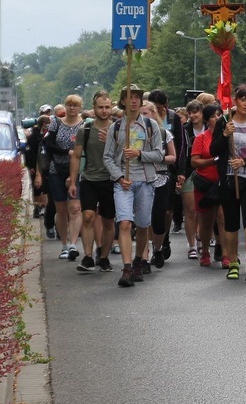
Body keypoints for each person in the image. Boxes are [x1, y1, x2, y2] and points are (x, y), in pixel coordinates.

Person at [103, 84, 164, 288]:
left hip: (146, 182)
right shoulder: (116, 127)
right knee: (125, 223)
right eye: (129, 97)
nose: (134, 100)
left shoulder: (150, 125)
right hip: (124, 185)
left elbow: (159, 154)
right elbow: (108, 157)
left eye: (137, 97)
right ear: (122, 101)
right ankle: (127, 267)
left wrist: (140, 154)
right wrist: (119, 177)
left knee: (143, 224)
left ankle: (139, 260)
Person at [210, 84, 246, 282]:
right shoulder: (223, 122)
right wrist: (225, 135)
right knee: (231, 224)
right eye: (242, 99)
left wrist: (244, 161)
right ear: (235, 100)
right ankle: (233, 262)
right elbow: (213, 151)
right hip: (228, 180)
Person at [67, 91, 116, 273]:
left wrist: (113, 141)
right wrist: (73, 182)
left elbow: (124, 156)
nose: (104, 111)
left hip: (110, 180)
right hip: (89, 179)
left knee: (109, 221)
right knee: (87, 215)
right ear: (94, 109)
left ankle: (103, 256)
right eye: (100, 107)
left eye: (107, 107)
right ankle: (87, 257)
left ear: (111, 108)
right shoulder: (85, 130)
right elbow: (77, 156)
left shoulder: (117, 129)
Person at [44, 94, 85, 261]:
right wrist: (66, 152)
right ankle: (64, 244)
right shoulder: (56, 124)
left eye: (75, 105)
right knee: (61, 209)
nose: (72, 108)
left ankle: (74, 244)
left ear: (80, 108)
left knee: (75, 207)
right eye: (69, 105)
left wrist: (73, 175)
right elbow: (49, 145)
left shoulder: (84, 126)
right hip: (57, 169)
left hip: (77, 170)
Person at [139, 101, 176, 273]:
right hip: (140, 179)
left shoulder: (163, 133)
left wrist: (156, 157)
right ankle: (144, 256)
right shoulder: (133, 134)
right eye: (141, 114)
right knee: (143, 219)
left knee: (158, 221)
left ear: (154, 114)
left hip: (160, 178)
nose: (143, 117)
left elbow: (172, 157)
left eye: (146, 113)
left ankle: (158, 248)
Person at [191, 103, 229, 268]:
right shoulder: (201, 138)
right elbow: (194, 161)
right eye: (213, 116)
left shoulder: (227, 136)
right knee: (206, 221)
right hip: (205, 184)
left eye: (219, 115)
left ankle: (226, 254)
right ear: (207, 120)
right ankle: (205, 251)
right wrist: (212, 161)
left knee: (223, 218)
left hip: (223, 182)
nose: (217, 119)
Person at [181, 99, 205, 259]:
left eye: (195, 112)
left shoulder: (210, 128)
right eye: (189, 113)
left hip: (207, 171)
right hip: (189, 172)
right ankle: (192, 245)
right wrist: (181, 173)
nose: (192, 116)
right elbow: (181, 152)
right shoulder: (184, 130)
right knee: (190, 211)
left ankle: (203, 238)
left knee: (203, 211)